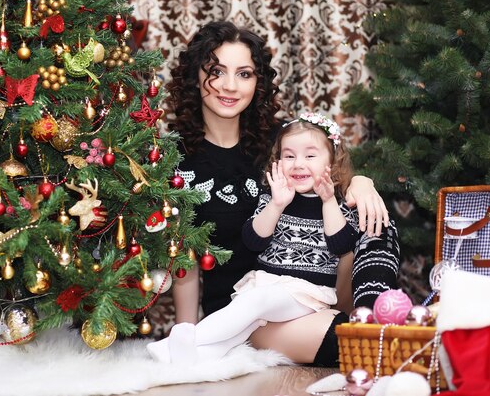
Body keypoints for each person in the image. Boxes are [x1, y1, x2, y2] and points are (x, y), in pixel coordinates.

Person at [163, 21, 398, 365]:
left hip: (312, 295)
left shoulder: (279, 143)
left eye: (244, 74)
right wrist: (185, 335)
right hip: (243, 312)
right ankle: (368, 329)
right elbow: (183, 257)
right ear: (195, 76)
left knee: (377, 220)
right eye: (217, 71)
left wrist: (362, 182)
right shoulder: (175, 158)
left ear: (258, 82)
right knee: (365, 348)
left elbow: (329, 175)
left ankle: (367, 312)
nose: (230, 86)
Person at [148, 112, 361, 363]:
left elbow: (342, 245)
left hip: (307, 294)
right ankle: (190, 356)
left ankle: (177, 341)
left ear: (332, 162)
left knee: (254, 302)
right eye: (289, 156)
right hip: (268, 284)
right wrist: (277, 205)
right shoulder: (273, 197)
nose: (298, 163)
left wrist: (327, 200)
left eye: (310, 156)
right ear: (277, 161)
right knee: (238, 331)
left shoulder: (338, 203)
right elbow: (253, 240)